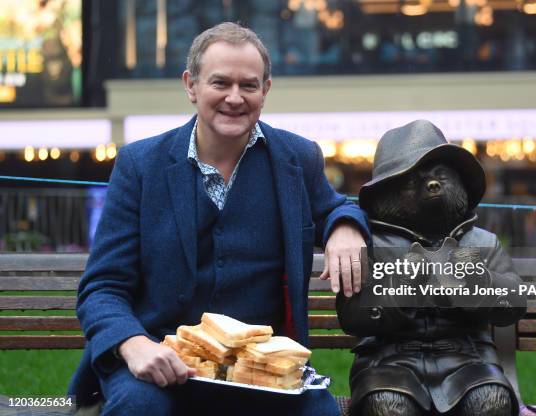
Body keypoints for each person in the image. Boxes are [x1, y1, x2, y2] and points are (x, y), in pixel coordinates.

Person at [68, 22, 369, 415]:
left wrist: (344, 225)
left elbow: (337, 206)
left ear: (266, 90)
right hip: (161, 363)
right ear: (191, 85)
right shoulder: (140, 165)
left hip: (261, 370)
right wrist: (134, 345)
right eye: (220, 83)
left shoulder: (298, 158)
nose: (234, 97)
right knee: (137, 408)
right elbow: (102, 287)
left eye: (249, 85)